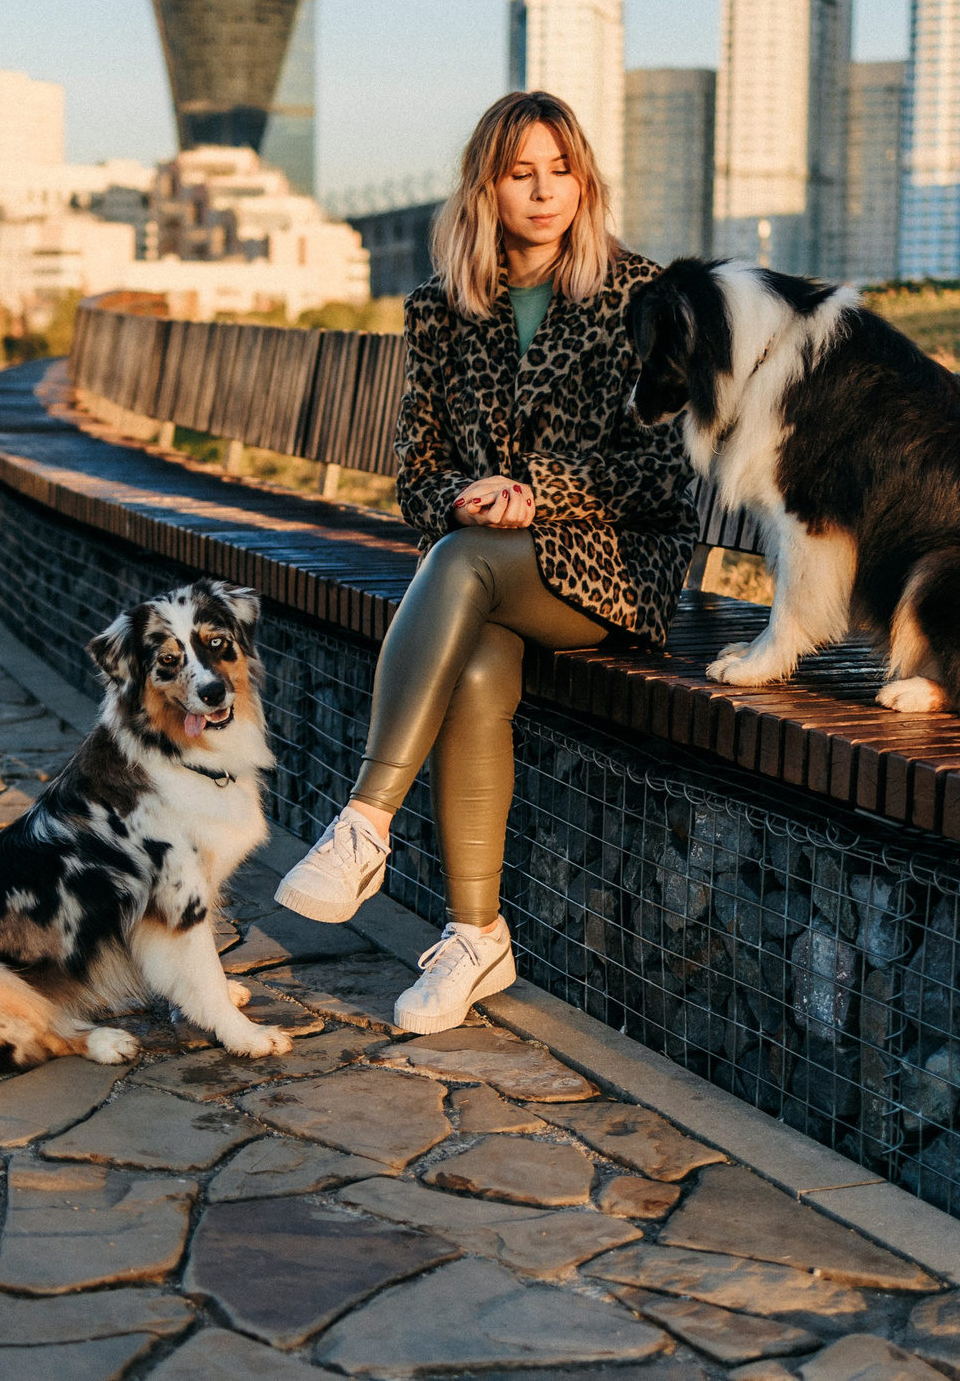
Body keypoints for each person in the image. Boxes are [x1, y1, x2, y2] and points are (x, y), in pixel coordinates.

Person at [274, 90, 696, 1032]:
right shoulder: (442, 308)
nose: (544, 193)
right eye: (521, 174)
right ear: (487, 189)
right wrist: (464, 497)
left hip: (616, 559)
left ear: (584, 181)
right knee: (472, 658)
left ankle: (365, 823)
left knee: (463, 563)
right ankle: (476, 937)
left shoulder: (641, 295)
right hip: (492, 563)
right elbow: (417, 470)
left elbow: (662, 471)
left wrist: (536, 492)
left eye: (560, 170)